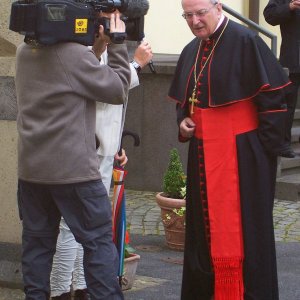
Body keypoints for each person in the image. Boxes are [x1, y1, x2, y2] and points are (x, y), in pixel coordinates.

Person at [168, 1, 291, 299]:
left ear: (218, 7)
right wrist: (184, 121)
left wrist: (262, 154)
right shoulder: (191, 49)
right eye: (188, 15)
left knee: (247, 234)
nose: (195, 21)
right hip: (202, 155)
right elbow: (189, 102)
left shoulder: (247, 41)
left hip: (243, 156)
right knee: (201, 231)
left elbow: (274, 101)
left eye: (200, 13)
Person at [15, 12, 130, 300]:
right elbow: (117, 89)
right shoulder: (74, 56)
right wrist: (116, 44)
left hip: (32, 171)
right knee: (98, 244)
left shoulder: (25, 51)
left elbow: (64, 72)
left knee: (37, 246)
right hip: (73, 172)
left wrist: (95, 50)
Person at [50, 41, 153, 300]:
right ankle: (60, 290)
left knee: (93, 225)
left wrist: (117, 143)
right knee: (70, 225)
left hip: (103, 146)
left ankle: (82, 287)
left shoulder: (104, 44)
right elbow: (103, 89)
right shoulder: (82, 44)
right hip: (86, 146)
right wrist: (135, 64)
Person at [264, 0, 300, 158]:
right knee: (288, 104)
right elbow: (269, 15)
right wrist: (290, 7)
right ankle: (284, 145)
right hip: (292, 59)